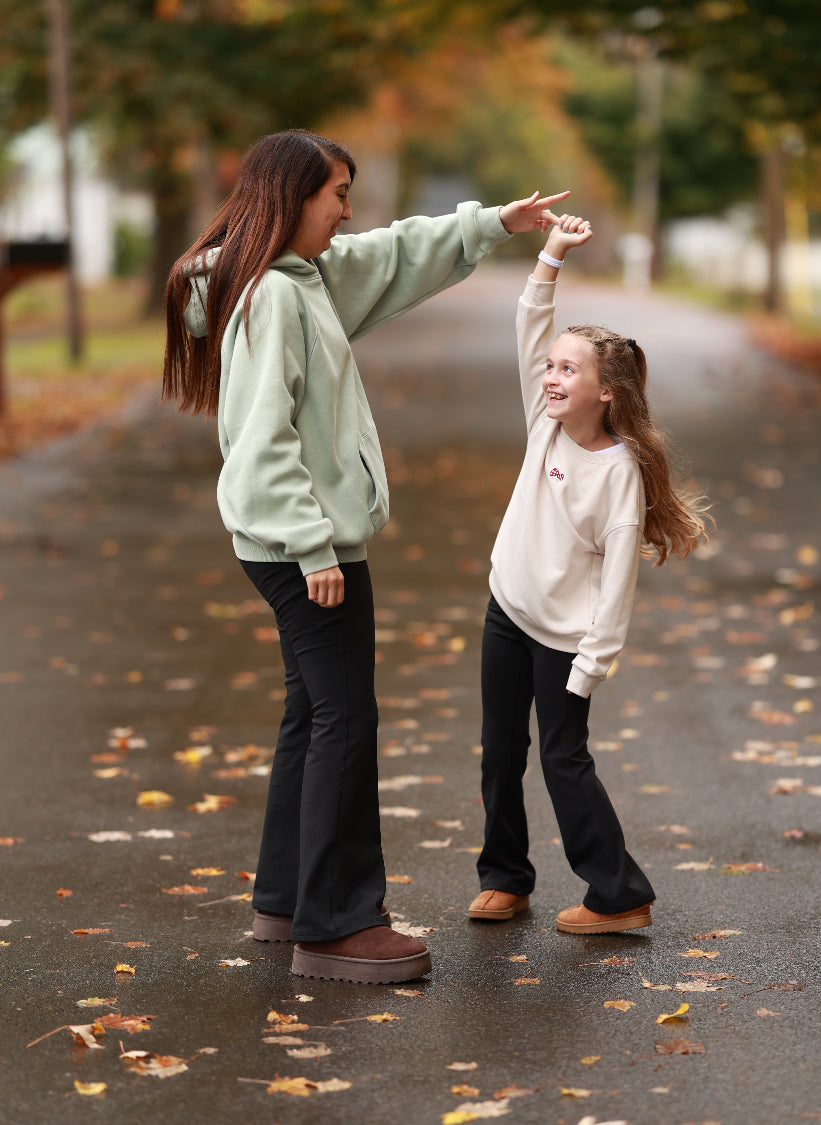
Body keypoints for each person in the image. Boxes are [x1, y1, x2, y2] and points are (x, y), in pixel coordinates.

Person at [163, 127, 569, 984]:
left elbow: (392, 254)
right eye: (336, 195)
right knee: (346, 719)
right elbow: (261, 438)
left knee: (313, 713)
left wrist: (494, 222)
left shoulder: (298, 278)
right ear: (291, 199)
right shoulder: (273, 295)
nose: (348, 212)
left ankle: (285, 900)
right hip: (304, 542)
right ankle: (338, 922)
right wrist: (313, 545)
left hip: (296, 538)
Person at [469, 211, 709, 934]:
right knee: (500, 752)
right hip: (507, 609)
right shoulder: (542, 419)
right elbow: (528, 322)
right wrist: (550, 255)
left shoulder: (619, 474)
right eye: (550, 365)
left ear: (607, 391)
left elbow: (616, 586)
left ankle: (618, 892)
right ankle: (505, 876)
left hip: (568, 637)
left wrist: (592, 664)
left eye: (568, 368)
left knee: (563, 758)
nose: (551, 375)